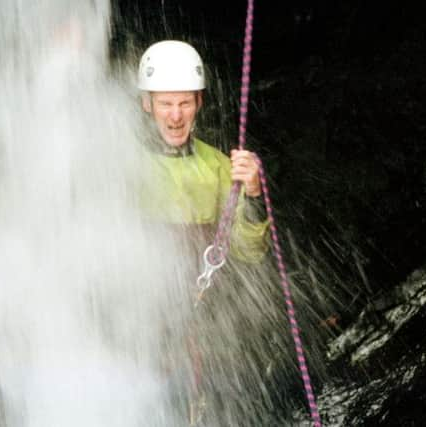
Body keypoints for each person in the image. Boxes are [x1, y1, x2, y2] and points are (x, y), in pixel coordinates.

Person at [137, 40, 270, 425]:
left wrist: (255, 194)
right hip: (138, 317)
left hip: (199, 319)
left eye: (184, 103)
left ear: (199, 102)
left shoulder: (219, 167)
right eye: (165, 103)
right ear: (147, 104)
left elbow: (248, 251)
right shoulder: (120, 162)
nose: (175, 116)